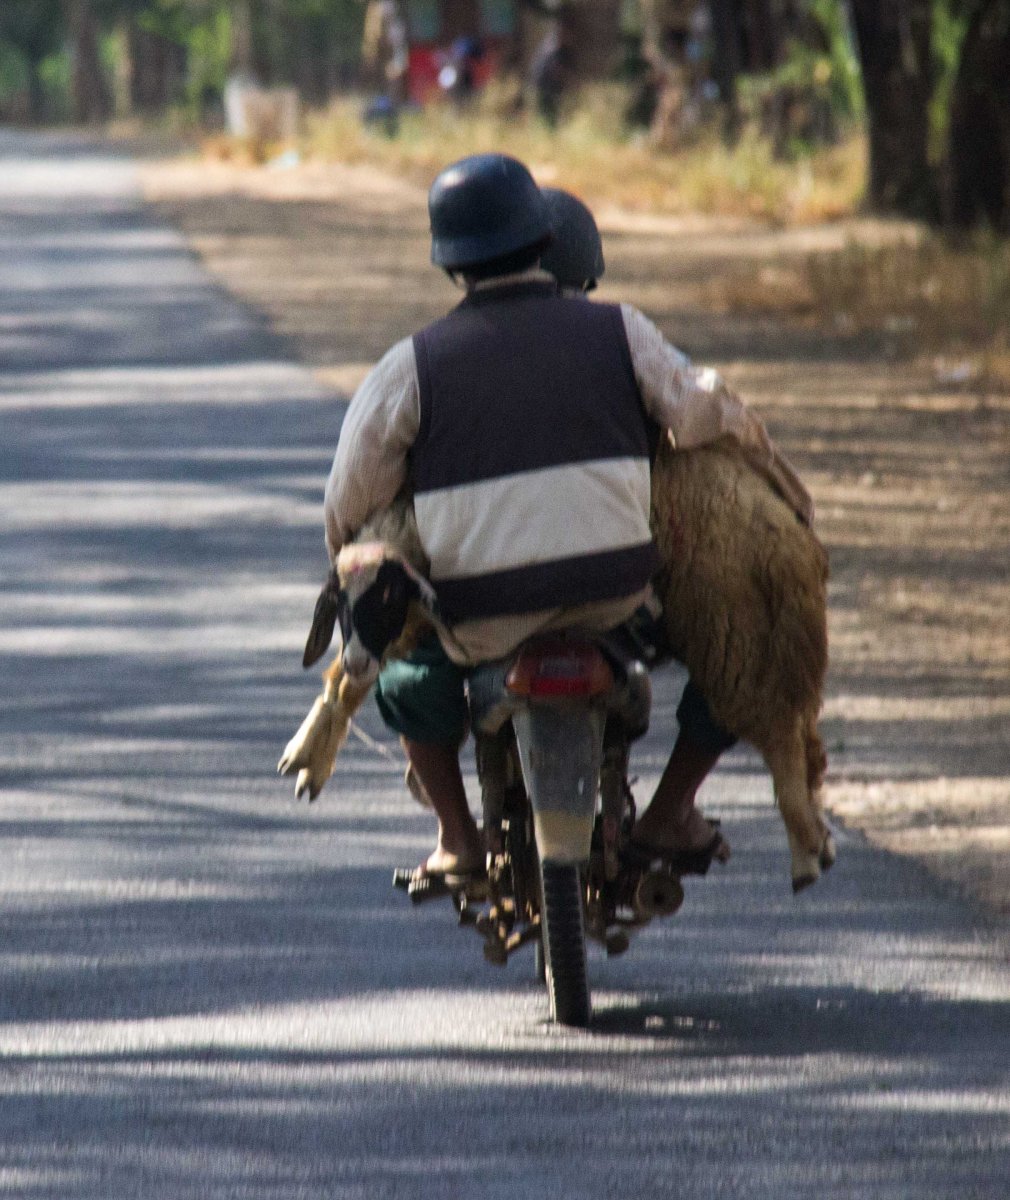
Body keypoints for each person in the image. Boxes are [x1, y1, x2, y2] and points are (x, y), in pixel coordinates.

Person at [322, 153, 812, 881]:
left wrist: (357, 559)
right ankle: (671, 810)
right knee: (736, 656)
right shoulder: (620, 331)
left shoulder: (409, 367)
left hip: (478, 623)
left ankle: (457, 838)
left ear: (448, 263)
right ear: (545, 240)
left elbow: (350, 503)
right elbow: (695, 413)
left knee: (405, 680)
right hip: (614, 603)